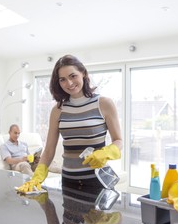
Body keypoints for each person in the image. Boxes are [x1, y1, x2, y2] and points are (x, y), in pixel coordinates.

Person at [17, 54, 122, 193]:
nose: (69, 83)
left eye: (73, 76)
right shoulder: (58, 110)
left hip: (97, 180)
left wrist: (106, 152)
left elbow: (118, 140)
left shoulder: (104, 104)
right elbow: (48, 150)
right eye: (63, 80)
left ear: (83, 73)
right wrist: (37, 177)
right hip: (68, 180)